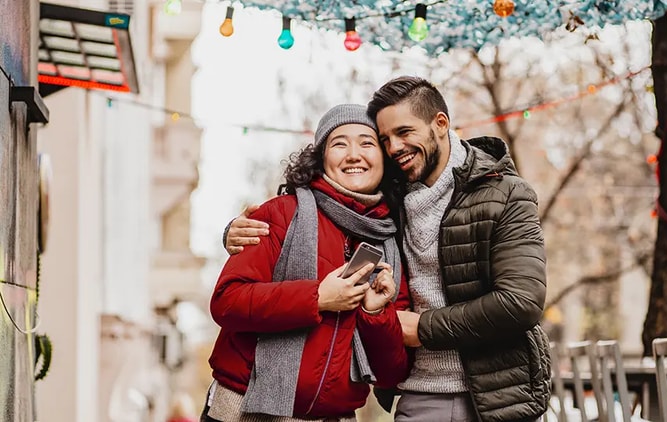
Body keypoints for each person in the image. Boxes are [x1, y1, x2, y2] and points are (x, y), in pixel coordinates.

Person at [225, 76, 551, 422]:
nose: (394, 147)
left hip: (495, 394)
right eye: (385, 139)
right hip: (418, 393)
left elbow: (521, 302)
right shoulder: (392, 200)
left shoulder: (505, 194)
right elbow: (340, 203)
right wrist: (232, 231)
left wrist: (421, 327)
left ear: (440, 124)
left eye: (403, 132)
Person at [204, 104, 411, 422]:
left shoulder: (391, 244)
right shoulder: (279, 214)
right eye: (339, 143)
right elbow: (226, 302)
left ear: (384, 160)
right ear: (321, 158)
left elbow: (390, 374)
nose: (354, 154)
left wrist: (375, 313)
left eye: (367, 143)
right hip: (244, 410)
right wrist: (318, 298)